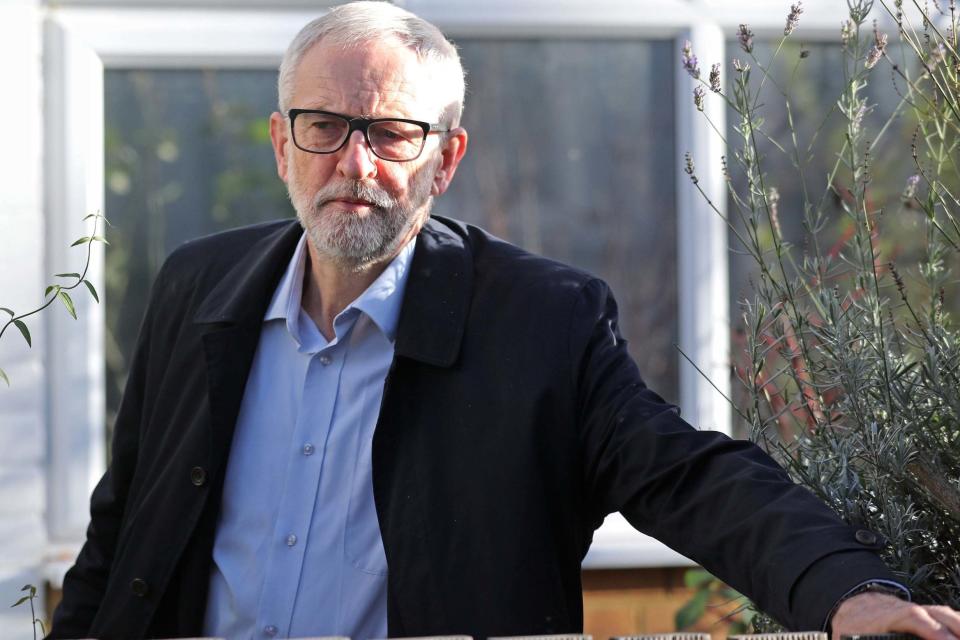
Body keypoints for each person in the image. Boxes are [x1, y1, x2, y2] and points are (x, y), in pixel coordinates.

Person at [49, 2, 960, 640]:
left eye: (392, 133)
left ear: (445, 162)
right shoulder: (195, 289)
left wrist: (849, 591)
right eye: (324, 126)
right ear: (283, 143)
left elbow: (691, 476)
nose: (354, 163)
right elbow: (124, 522)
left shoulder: (539, 322)